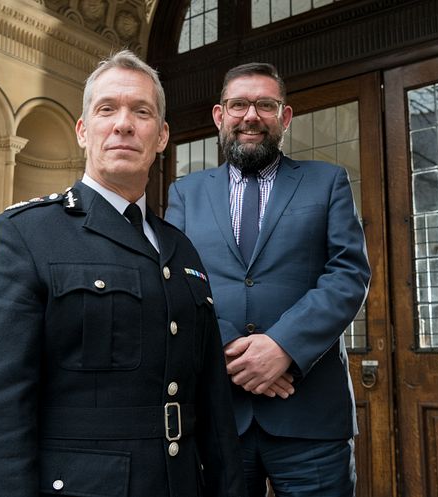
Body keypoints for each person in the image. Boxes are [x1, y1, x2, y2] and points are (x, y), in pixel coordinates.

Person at [0, 50, 246, 497]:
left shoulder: (180, 247)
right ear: (83, 130)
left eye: (142, 111)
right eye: (107, 109)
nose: (123, 124)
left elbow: (211, 400)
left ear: (161, 136)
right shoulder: (29, 236)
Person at [165, 62, 371, 497]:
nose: (251, 116)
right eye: (238, 104)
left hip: (310, 416)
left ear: (285, 116)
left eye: (265, 104)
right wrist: (233, 352)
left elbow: (348, 274)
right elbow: (177, 281)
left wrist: (283, 348)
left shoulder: (327, 182)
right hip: (219, 414)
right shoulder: (185, 192)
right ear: (220, 116)